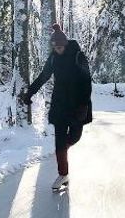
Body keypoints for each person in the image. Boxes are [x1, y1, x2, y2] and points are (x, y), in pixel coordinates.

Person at [19, 23, 93, 190]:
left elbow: (87, 81)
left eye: (60, 47)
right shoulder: (53, 58)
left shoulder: (77, 56)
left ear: (65, 44)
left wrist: (83, 105)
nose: (58, 49)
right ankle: (63, 174)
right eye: (55, 47)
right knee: (59, 141)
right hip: (60, 104)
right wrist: (30, 93)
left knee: (74, 137)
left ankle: (62, 153)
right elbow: (43, 77)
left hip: (77, 105)